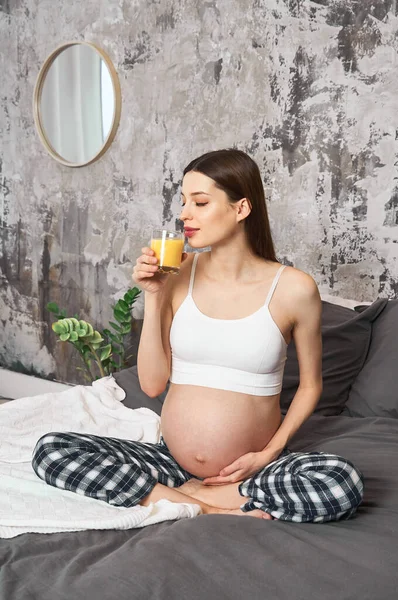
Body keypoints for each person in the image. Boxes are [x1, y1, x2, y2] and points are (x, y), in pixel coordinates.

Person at [32, 148, 364, 522]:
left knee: (341, 482)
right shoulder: (177, 273)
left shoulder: (293, 289)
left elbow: (310, 386)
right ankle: (203, 505)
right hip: (171, 462)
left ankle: (177, 498)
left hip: (250, 471)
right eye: (184, 201)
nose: (184, 214)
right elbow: (153, 384)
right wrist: (154, 295)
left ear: (241, 209)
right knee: (51, 449)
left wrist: (268, 454)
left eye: (200, 202)